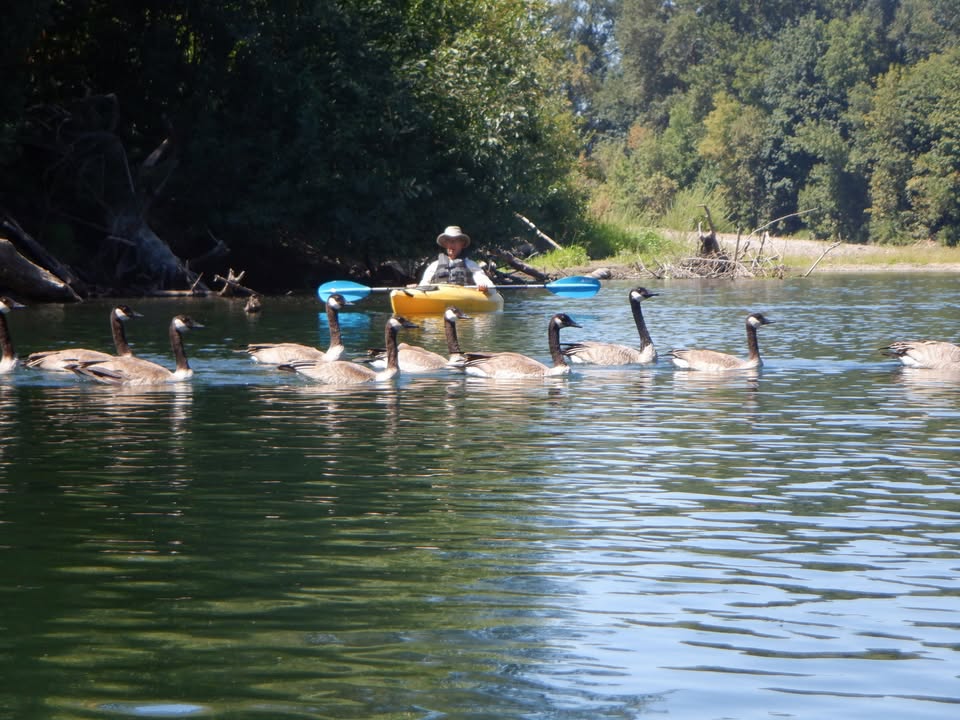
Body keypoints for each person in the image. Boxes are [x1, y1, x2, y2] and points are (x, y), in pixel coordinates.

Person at [418, 226, 492, 293]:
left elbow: (487, 284)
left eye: (455, 240)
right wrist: (416, 289)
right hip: (439, 299)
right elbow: (423, 285)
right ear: (445, 244)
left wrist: (484, 287)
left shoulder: (471, 265)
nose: (451, 244)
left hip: (464, 300)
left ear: (462, 244)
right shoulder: (434, 265)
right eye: (449, 241)